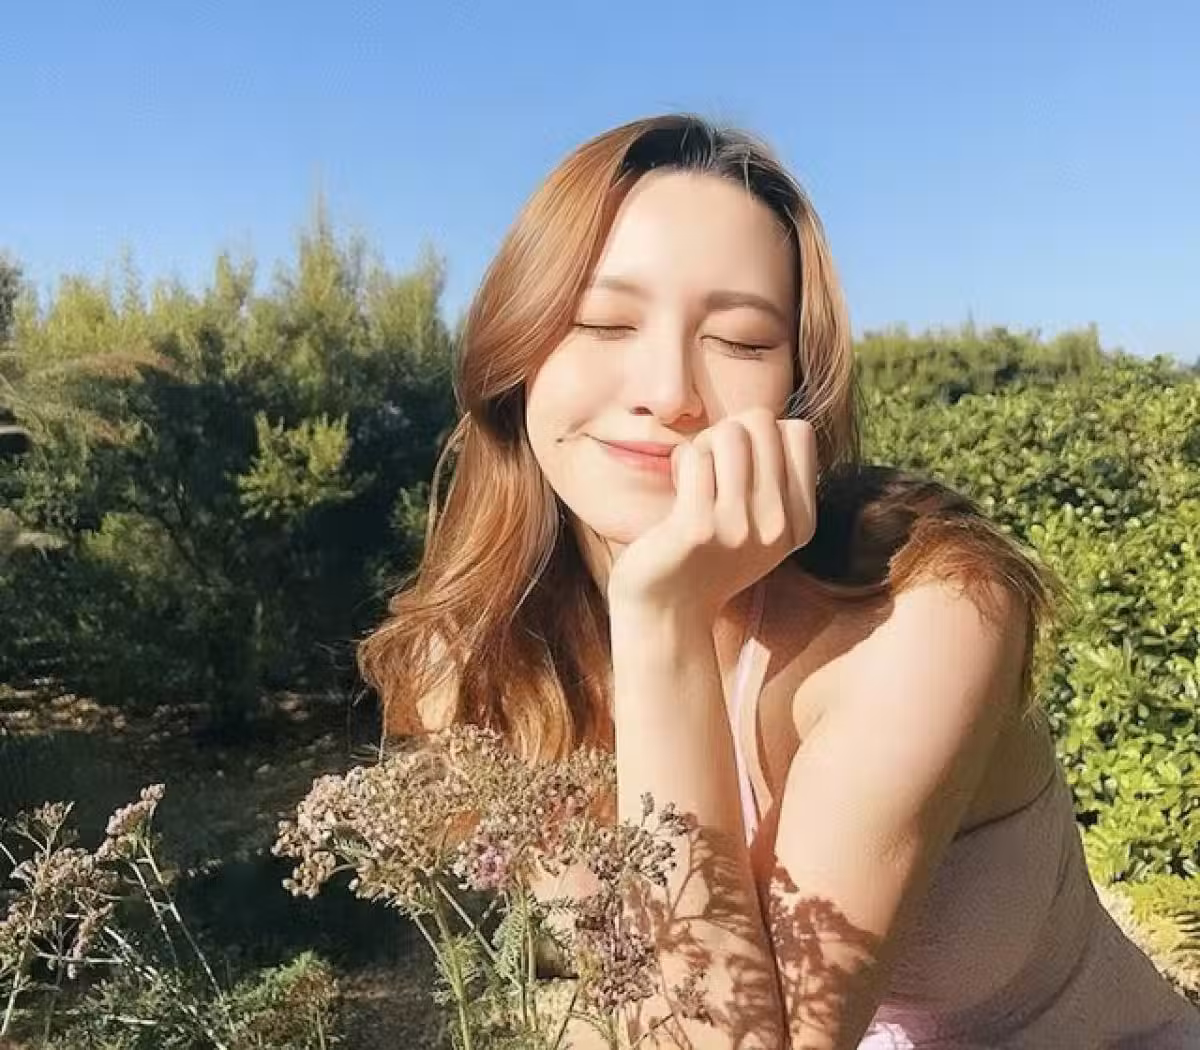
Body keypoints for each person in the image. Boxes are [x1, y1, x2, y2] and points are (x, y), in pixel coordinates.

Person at [358, 114, 1200, 1048]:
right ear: (515, 353)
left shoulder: (925, 612)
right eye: (602, 321)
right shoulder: (485, 670)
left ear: (798, 387)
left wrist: (662, 616)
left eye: (741, 341)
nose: (668, 391)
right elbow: (651, 1010)